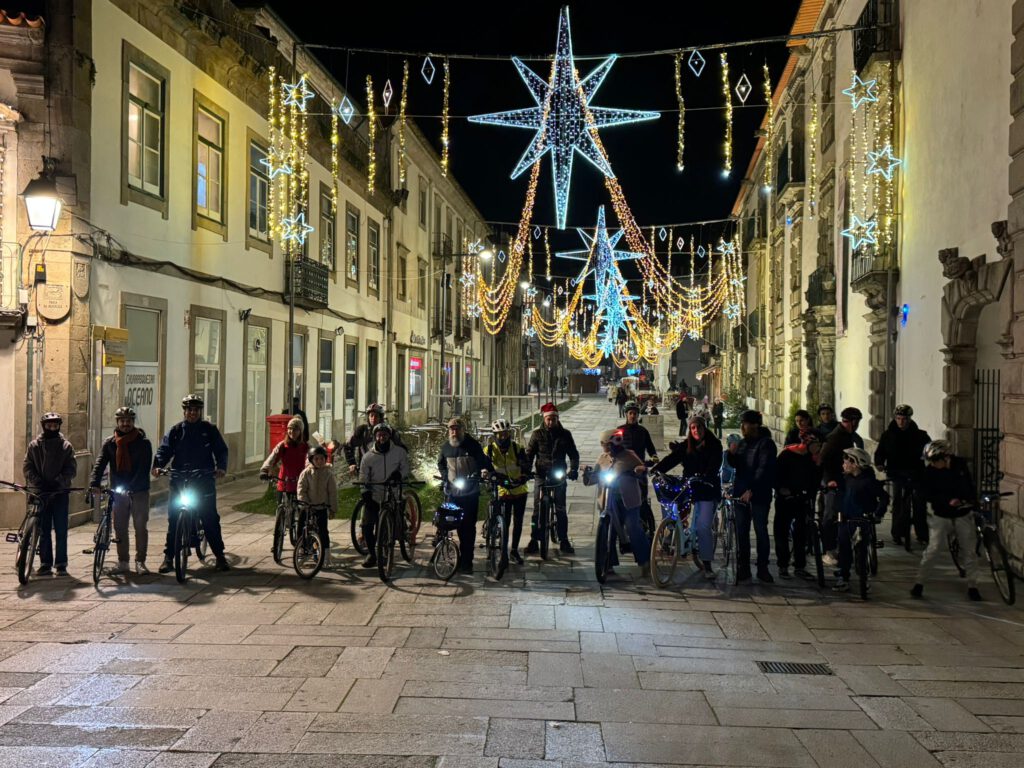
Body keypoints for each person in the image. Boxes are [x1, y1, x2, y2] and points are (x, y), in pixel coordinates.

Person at [152, 394, 230, 572]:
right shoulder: (176, 431)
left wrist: (221, 467)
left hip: (203, 479)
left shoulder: (209, 430)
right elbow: (164, 450)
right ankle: (169, 558)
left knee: (209, 517)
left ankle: (220, 556)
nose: (192, 413)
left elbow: (221, 450)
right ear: (184, 411)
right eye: (189, 409)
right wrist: (158, 466)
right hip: (179, 479)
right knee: (173, 518)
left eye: (196, 410)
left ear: (200, 411)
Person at [911, 440, 981, 601]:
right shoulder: (930, 472)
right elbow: (926, 493)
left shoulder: (960, 466)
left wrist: (969, 499)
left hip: (962, 513)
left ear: (946, 457)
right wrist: (946, 501)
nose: (933, 464)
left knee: (969, 551)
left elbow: (968, 484)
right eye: (931, 461)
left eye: (935, 461)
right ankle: (919, 583)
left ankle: (973, 586)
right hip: (941, 515)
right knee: (933, 549)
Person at [653, 416, 722, 579]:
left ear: (704, 427)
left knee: (703, 527)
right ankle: (673, 533)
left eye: (699, 427)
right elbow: (673, 459)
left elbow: (715, 464)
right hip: (689, 485)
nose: (696, 430)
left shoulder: (714, 444)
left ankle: (707, 564)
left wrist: (706, 476)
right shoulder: (687, 445)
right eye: (693, 428)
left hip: (707, 487)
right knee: (671, 503)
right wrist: (656, 469)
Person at [89, 406, 153, 574]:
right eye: (122, 421)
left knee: (140, 526)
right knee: (120, 527)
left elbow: (144, 468)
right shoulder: (110, 443)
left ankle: (140, 561)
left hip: (139, 490)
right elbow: (100, 463)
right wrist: (94, 482)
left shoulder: (143, 442)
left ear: (133, 422)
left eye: (129, 421)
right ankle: (123, 562)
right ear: (117, 422)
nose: (125, 424)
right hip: (118, 490)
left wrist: (132, 486)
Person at [583, 429, 650, 576]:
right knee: (607, 529)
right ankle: (608, 563)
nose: (604, 447)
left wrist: (639, 470)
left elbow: (642, 469)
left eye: (605, 444)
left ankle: (644, 560)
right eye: (602, 444)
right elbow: (593, 478)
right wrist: (587, 473)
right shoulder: (603, 458)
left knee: (633, 527)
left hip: (629, 500)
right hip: (608, 500)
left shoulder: (629, 455)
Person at [725, 410, 777, 583]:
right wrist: (731, 454)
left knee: (760, 530)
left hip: (759, 494)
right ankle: (744, 567)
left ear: (754, 425)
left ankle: (762, 568)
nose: (742, 427)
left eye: (745, 424)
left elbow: (764, 469)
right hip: (741, 493)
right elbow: (738, 466)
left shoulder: (766, 444)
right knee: (741, 531)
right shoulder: (743, 443)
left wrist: (752, 489)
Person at [23, 412, 77, 577]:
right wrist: (38, 481)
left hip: (59, 493)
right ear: (44, 426)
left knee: (61, 529)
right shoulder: (34, 446)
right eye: (49, 425)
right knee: (43, 529)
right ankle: (45, 563)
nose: (52, 428)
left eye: (55, 425)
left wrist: (58, 482)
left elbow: (71, 469)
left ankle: (61, 564)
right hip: (41, 492)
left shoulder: (66, 446)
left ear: (59, 426)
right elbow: (27, 466)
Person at [437, 417, 492, 574]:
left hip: (470, 493)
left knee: (468, 527)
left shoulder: (473, 445)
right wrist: (445, 476)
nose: (454, 432)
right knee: (449, 523)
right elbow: (441, 463)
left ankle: (467, 561)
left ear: (463, 430)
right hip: (452, 493)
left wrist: (479, 473)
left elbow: (483, 462)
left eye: (457, 429)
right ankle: (446, 553)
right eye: (451, 429)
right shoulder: (446, 447)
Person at [525, 402, 580, 555]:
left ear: (557, 419)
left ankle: (564, 540)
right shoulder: (537, 434)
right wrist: (526, 470)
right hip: (541, 474)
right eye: (548, 419)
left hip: (559, 474)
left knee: (560, 508)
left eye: (553, 419)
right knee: (537, 510)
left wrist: (573, 469)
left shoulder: (565, 434)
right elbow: (529, 454)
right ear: (544, 419)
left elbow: (573, 454)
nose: (551, 422)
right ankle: (534, 540)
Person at [874, 404, 931, 547]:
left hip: (916, 472)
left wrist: (929, 459)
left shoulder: (920, 435)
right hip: (896, 472)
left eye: (904, 419)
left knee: (919, 501)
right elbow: (880, 452)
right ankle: (897, 533)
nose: (901, 422)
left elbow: (929, 450)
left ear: (909, 419)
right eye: (898, 418)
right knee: (898, 501)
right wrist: (879, 463)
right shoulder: (888, 435)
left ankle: (922, 533)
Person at [833, 447, 889, 593]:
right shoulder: (845, 479)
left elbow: (884, 497)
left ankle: (863, 577)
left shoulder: (869, 481)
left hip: (862, 520)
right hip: (846, 519)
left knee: (861, 551)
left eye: (847, 461)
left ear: (855, 464)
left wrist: (878, 513)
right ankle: (843, 576)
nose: (844, 464)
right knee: (844, 548)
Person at [358, 423, 410, 568]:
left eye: (385, 435)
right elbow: (363, 476)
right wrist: (365, 492)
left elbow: (406, 468)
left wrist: (399, 474)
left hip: (393, 492)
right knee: (367, 525)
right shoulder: (368, 456)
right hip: (375, 493)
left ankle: (397, 536)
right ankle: (371, 554)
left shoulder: (399, 452)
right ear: (375, 437)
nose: (382, 438)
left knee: (393, 522)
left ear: (389, 436)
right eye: (379, 435)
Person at [818, 406, 865, 562]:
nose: (857, 425)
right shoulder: (835, 437)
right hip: (832, 479)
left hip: (844, 478)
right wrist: (829, 480)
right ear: (852, 422)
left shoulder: (848, 435)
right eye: (857, 422)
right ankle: (829, 550)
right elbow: (822, 460)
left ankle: (847, 543)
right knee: (830, 514)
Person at [774, 432, 822, 580]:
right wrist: (781, 489)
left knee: (801, 533)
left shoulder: (812, 458)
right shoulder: (787, 455)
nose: (818, 448)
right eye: (816, 445)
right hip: (786, 498)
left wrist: (818, 465)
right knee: (781, 531)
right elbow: (776, 475)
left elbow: (815, 480)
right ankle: (783, 565)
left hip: (803, 498)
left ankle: (800, 566)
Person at [484, 419, 531, 565]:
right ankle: (501, 548)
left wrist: (525, 475)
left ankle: (514, 550)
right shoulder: (489, 450)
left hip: (519, 489)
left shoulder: (517, 448)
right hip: (501, 490)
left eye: (506, 434)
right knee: (505, 521)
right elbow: (483, 466)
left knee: (518, 522)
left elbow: (525, 464)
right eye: (500, 434)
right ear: (495, 435)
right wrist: (486, 473)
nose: (503, 437)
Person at [297, 444, 337, 565]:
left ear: (325, 459)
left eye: (322, 459)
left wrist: (332, 509)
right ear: (311, 460)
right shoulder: (306, 473)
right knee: (302, 529)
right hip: (307, 507)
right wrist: (304, 502)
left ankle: (326, 555)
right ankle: (302, 551)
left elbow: (332, 492)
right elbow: (301, 489)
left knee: (323, 531)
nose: (319, 461)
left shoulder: (328, 474)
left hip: (321, 507)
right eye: (316, 459)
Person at [344, 403, 404, 475]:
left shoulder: (390, 432)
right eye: (371, 415)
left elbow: (402, 450)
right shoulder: (362, 431)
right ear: (368, 417)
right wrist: (352, 463)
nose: (373, 418)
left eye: (376, 416)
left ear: (381, 418)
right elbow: (348, 446)